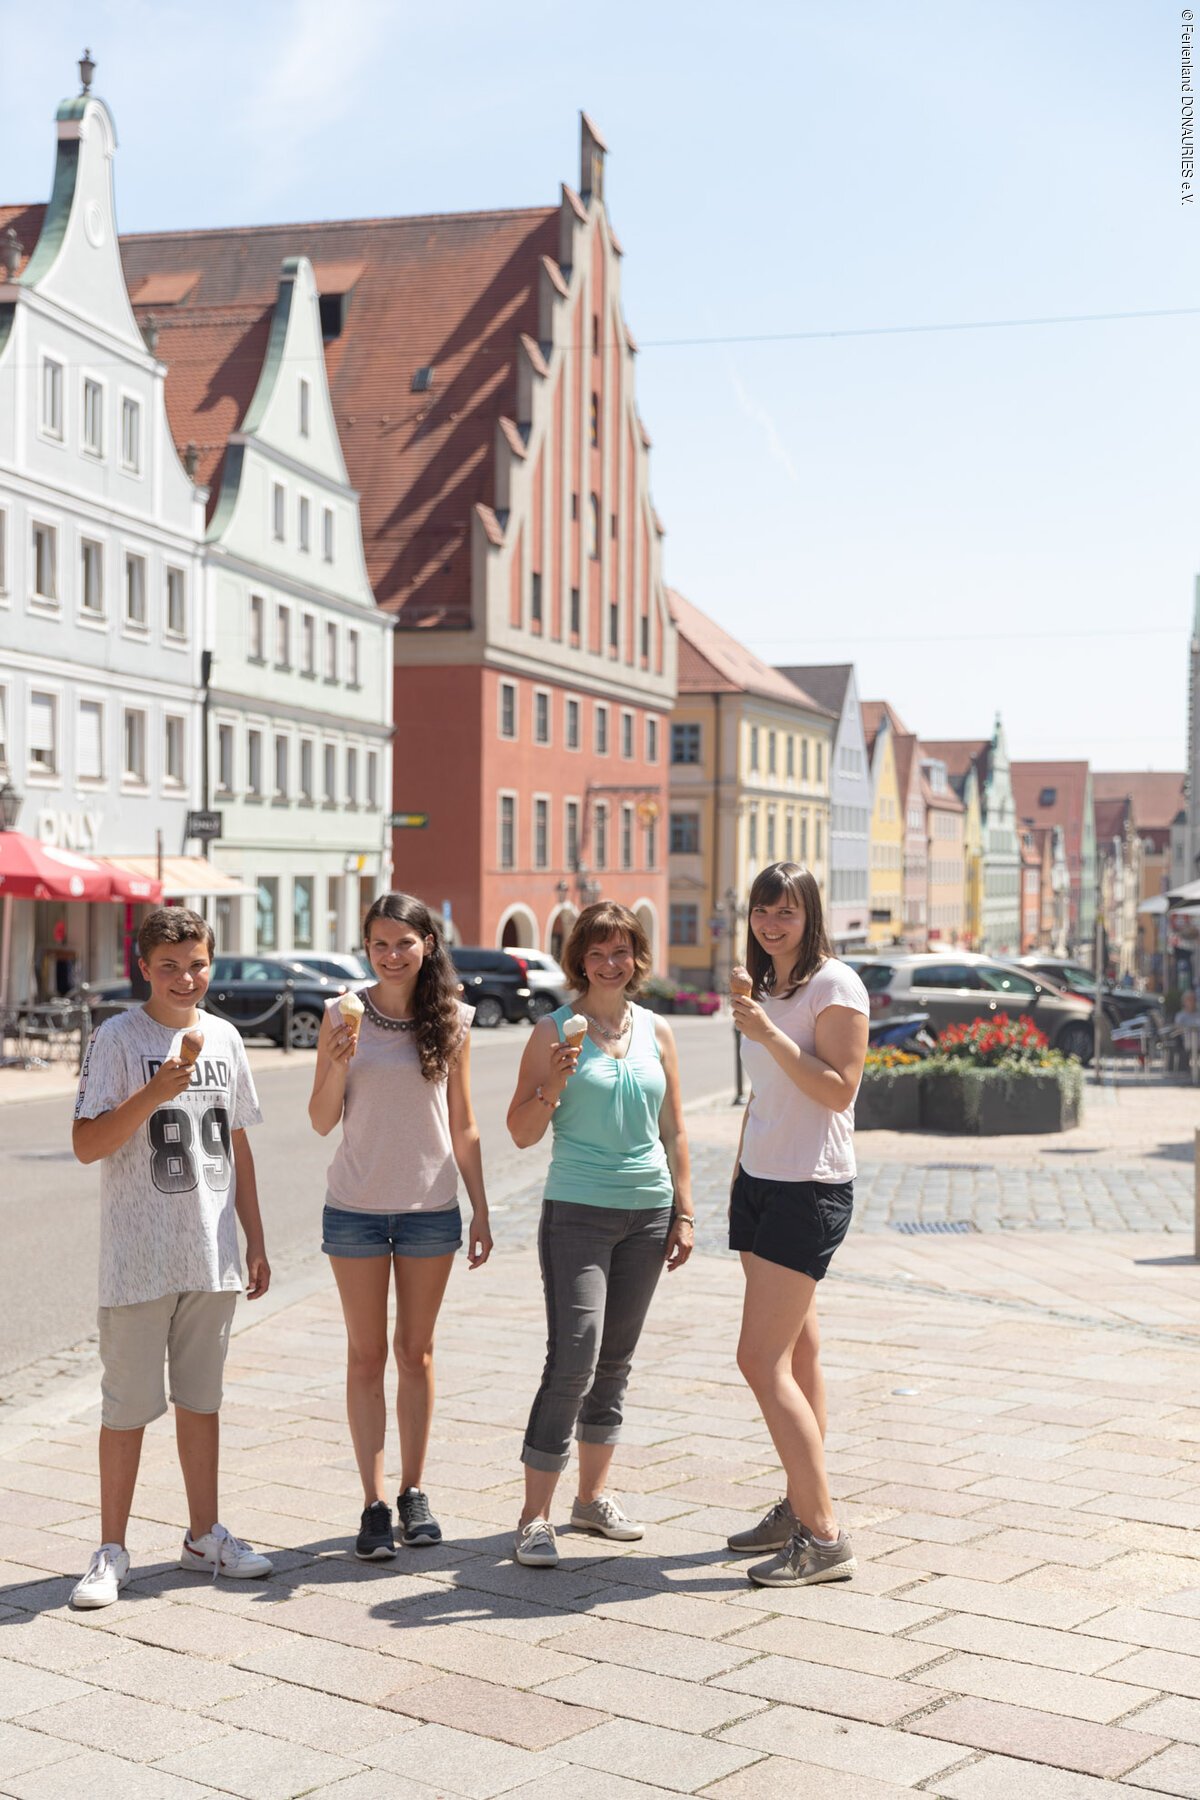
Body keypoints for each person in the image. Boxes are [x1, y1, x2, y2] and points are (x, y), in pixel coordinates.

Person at [70, 907, 273, 1609]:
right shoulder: (117, 1038)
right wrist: (154, 1091)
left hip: (211, 1251)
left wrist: (255, 1237)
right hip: (137, 1257)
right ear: (143, 968)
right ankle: (111, 1549)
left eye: (197, 964)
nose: (185, 978)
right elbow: (87, 1144)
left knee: (202, 1401)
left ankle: (203, 1535)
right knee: (126, 1408)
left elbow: (237, 1142)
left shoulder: (226, 1037)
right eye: (169, 967)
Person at [506, 901, 693, 1568]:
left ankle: (590, 1500)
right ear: (579, 961)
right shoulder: (552, 1030)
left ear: (636, 957)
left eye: (621, 952)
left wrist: (684, 1211)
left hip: (648, 1212)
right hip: (577, 1211)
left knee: (615, 1362)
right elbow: (520, 1132)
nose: (610, 964)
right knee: (574, 1359)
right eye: (597, 953)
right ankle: (533, 1517)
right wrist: (553, 1083)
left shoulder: (656, 1030)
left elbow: (674, 1130)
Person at [309, 892, 491, 1560]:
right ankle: (373, 1502)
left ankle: (414, 1492)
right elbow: (320, 1120)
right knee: (366, 1356)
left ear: (428, 945)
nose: (391, 956)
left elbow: (463, 1123)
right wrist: (337, 1059)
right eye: (379, 944)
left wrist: (481, 1207)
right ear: (366, 947)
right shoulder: (339, 1013)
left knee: (416, 1354)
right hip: (354, 1208)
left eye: (404, 943)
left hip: (430, 1209)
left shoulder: (454, 1019)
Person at [725, 861, 869, 1588]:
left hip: (808, 1188)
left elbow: (840, 1090)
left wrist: (769, 1034)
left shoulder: (834, 986)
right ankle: (797, 1504)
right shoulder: (770, 987)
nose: (771, 923)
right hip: (761, 1181)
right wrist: (739, 1171)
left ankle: (825, 1535)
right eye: (762, 910)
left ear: (810, 915)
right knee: (798, 1351)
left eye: (786, 911)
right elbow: (767, 1096)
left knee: (759, 1361)